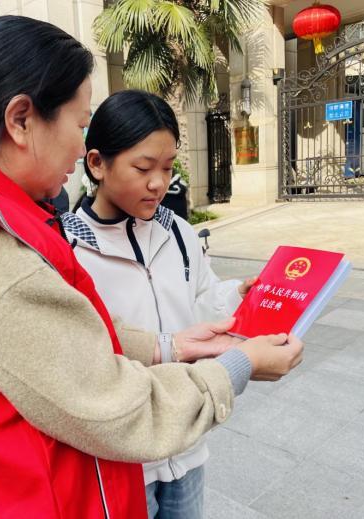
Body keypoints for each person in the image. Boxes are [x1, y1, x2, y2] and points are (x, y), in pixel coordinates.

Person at [0, 15, 303, 518]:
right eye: (79, 125)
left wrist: (170, 345)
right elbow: (116, 410)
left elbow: (59, 340)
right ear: (21, 120)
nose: (81, 147)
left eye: (167, 168)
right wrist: (241, 365)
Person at [62, 90, 255, 518]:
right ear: (97, 163)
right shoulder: (68, 248)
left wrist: (235, 295)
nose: (158, 183)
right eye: (143, 167)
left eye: (167, 167)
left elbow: (201, 300)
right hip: (122, 458)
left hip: (186, 440)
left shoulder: (179, 233)